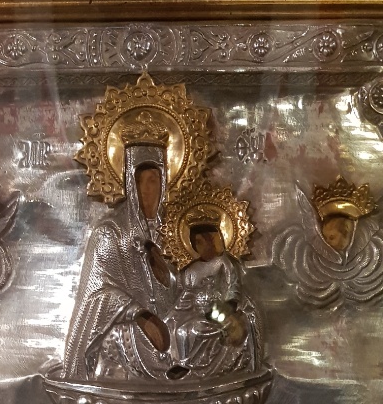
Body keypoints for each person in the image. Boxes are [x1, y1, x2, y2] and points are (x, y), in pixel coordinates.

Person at [62, 129, 180, 382]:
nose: (146, 189)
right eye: (139, 181)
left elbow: (188, 282)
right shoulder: (110, 232)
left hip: (175, 320)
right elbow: (96, 295)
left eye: (153, 180)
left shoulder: (176, 229)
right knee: (130, 337)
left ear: (165, 182)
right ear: (128, 182)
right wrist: (138, 313)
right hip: (128, 326)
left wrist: (166, 273)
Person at [168, 221, 261, 377]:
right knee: (177, 328)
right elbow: (187, 293)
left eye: (207, 240)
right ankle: (182, 363)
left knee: (190, 331)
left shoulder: (224, 262)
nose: (203, 245)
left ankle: (189, 365)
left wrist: (228, 306)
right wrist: (176, 311)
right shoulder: (191, 270)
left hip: (218, 311)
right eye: (197, 242)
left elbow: (233, 286)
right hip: (195, 311)